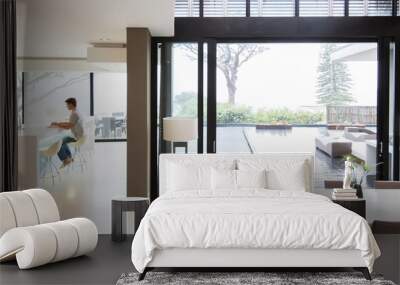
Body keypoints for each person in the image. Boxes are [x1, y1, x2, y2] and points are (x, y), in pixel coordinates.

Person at [50, 97, 84, 168]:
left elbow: (68, 126)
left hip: (77, 137)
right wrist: (58, 123)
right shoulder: (76, 112)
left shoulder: (74, 114)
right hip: (80, 136)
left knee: (58, 142)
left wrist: (57, 124)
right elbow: (69, 123)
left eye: (67, 105)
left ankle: (66, 159)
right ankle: (69, 157)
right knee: (62, 140)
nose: (67, 106)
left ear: (71, 104)